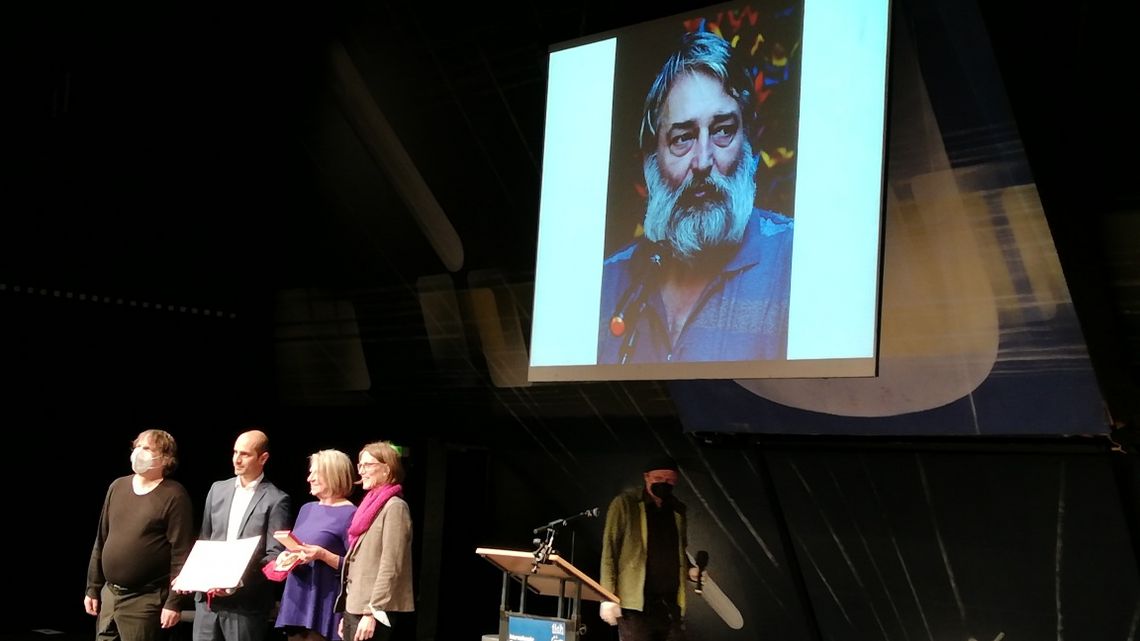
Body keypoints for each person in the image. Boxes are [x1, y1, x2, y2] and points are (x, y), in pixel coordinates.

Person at [598, 30, 794, 365]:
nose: (703, 161)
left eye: (722, 131)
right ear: (651, 158)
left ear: (748, 142)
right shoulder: (608, 282)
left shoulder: (795, 259)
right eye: (682, 138)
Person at [85, 429, 195, 641]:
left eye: (147, 448)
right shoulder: (118, 486)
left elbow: (181, 555)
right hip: (110, 596)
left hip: (145, 600)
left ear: (165, 458)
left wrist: (174, 603)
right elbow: (101, 540)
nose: (139, 453)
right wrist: (92, 588)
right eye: (137, 447)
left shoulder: (174, 495)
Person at [192, 429, 292, 641]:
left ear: (263, 458)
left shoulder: (276, 499)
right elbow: (205, 540)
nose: (237, 459)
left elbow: (273, 555)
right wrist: (195, 576)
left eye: (245, 454)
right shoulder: (217, 490)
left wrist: (236, 582)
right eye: (235, 452)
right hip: (208, 602)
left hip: (245, 605)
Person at [599, 456, 701, 641]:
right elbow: (609, 551)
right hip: (636, 605)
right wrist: (607, 596)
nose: (664, 483)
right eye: (659, 478)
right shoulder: (625, 504)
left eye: (670, 480)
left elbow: (678, 548)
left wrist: (690, 569)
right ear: (646, 477)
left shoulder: (677, 509)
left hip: (669, 603)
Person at [273, 449, 358, 641]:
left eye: (315, 472)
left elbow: (357, 567)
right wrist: (286, 555)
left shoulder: (351, 514)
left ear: (332, 474)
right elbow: (296, 547)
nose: (309, 478)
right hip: (296, 601)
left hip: (324, 603)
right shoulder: (307, 509)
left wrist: (322, 555)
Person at [335, 441, 414, 641]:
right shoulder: (368, 507)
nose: (361, 471)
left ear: (387, 469)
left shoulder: (395, 507)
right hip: (356, 606)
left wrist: (373, 612)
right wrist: (348, 610)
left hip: (373, 609)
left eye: (368, 465)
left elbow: (391, 564)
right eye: (360, 465)